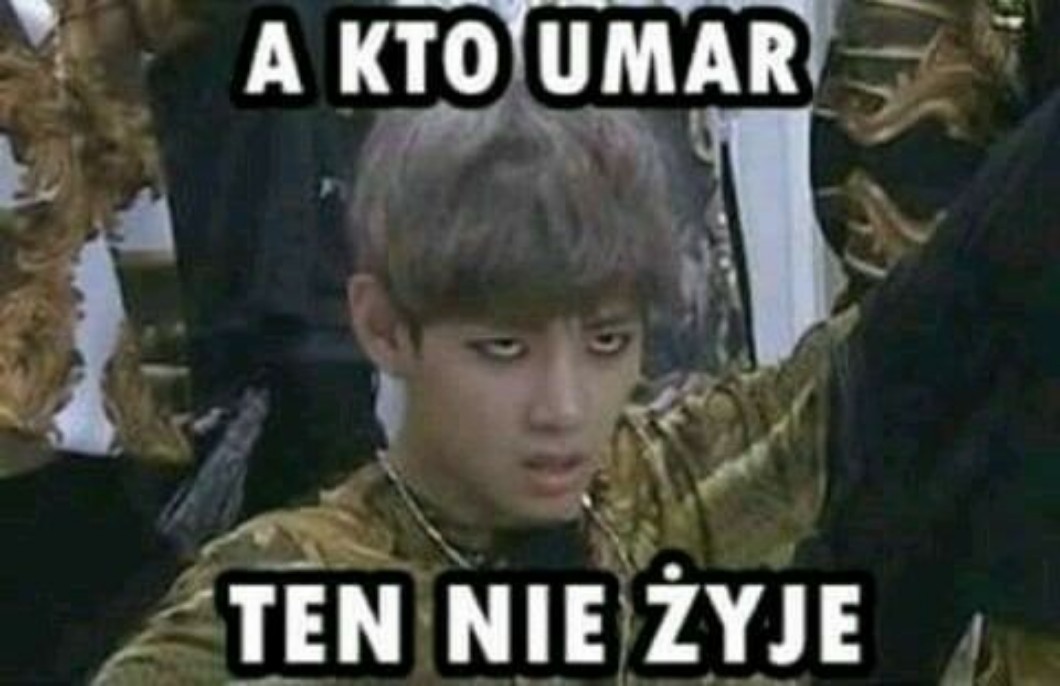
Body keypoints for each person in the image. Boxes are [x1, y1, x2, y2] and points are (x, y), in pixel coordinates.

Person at [93, 80, 1060, 683]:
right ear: (384, 327)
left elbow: (937, 318)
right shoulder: (277, 600)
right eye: (502, 349)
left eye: (606, 342)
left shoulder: (649, 488)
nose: (563, 408)